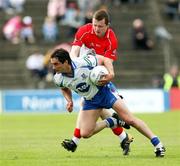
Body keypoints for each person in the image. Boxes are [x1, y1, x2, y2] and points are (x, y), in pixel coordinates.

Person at [50, 48, 166, 157]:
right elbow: (64, 88)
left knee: (129, 119)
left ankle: (158, 144)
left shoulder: (83, 62)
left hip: (105, 91)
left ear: (65, 62)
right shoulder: (58, 78)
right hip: (91, 101)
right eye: (52, 64)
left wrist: (110, 74)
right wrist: (69, 100)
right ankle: (112, 121)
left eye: (56, 64)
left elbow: (104, 59)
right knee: (85, 133)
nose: (53, 67)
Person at [63, 9, 134, 155]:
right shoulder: (84, 30)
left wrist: (109, 74)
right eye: (94, 25)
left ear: (107, 25)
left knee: (90, 104)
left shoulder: (111, 39)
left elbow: (107, 62)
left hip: (97, 76)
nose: (96, 29)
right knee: (96, 107)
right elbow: (74, 51)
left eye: (100, 26)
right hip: (82, 71)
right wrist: (74, 66)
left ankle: (75, 141)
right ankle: (123, 137)